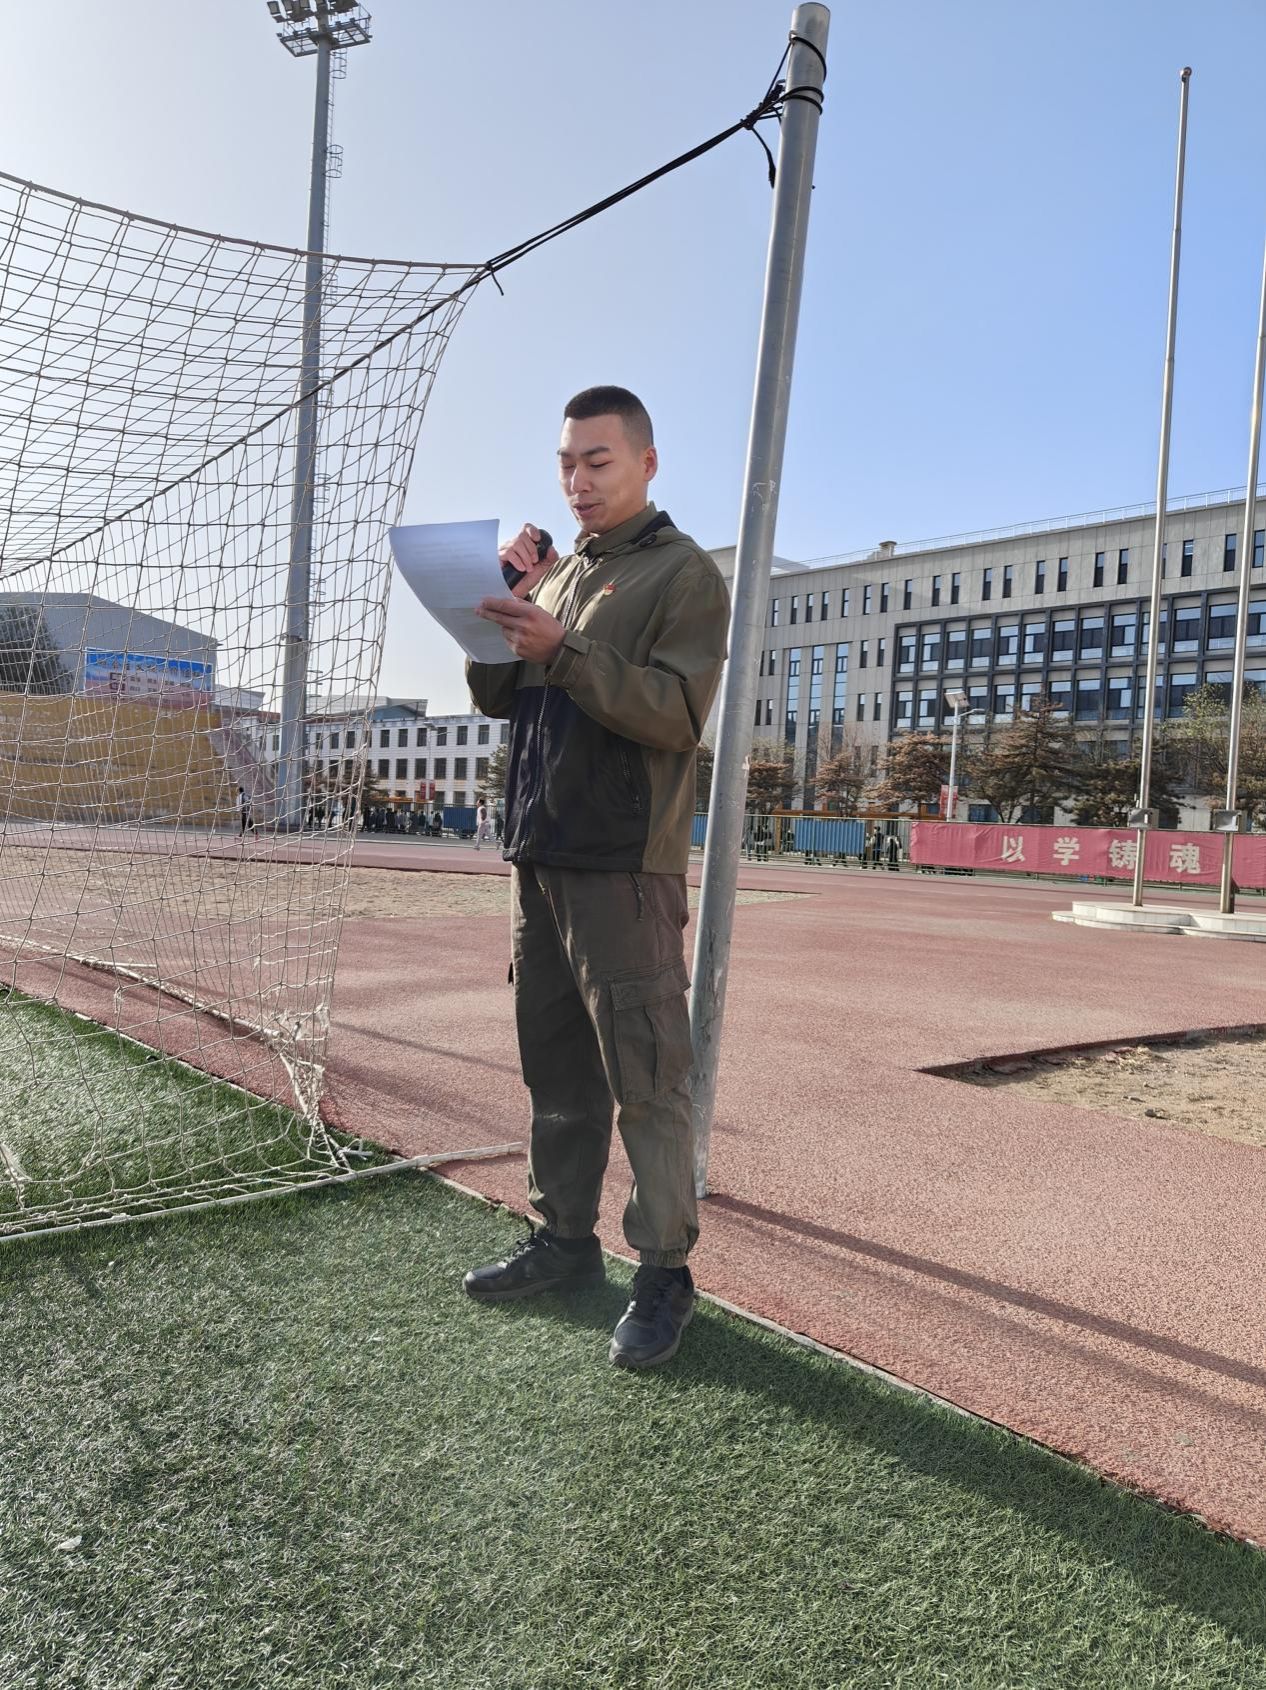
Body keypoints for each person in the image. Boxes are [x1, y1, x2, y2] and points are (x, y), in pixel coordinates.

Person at [463, 385, 730, 1370]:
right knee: (557, 1068)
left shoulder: (682, 573)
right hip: (541, 853)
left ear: (646, 464)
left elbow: (677, 713)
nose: (577, 480)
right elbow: (497, 694)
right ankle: (562, 1239)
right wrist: (502, 599)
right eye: (567, 463)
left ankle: (664, 1273)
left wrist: (566, 649)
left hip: (624, 864)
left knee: (647, 1077)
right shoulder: (560, 575)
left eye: (598, 461)